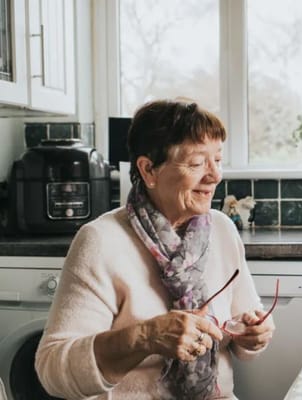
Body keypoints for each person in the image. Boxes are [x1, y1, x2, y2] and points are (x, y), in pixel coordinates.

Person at [35, 99, 275, 399]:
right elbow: (53, 373)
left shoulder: (222, 229)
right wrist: (145, 337)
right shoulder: (100, 241)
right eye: (198, 163)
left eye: (218, 159)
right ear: (149, 169)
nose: (215, 176)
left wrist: (253, 335)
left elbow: (244, 338)